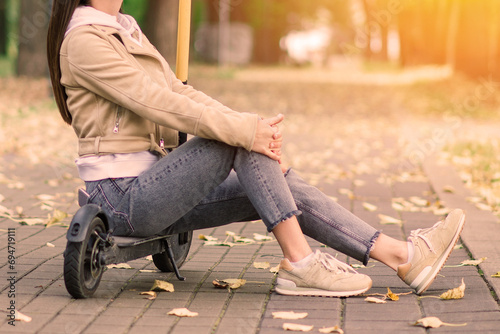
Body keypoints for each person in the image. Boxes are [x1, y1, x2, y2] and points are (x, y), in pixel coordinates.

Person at [47, 0, 465, 298]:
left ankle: (404, 257)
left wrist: (254, 127)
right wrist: (246, 132)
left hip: (156, 186)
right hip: (121, 199)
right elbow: (158, 102)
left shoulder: (124, 27)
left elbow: (176, 88)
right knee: (239, 141)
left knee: (271, 173)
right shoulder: (84, 41)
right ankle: (300, 264)